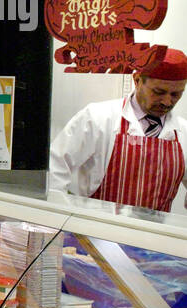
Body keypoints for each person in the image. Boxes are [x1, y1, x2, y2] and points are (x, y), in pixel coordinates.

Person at [50, 49, 187, 212]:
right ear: (137, 80)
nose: (167, 101)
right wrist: (59, 214)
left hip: (154, 235)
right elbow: (55, 167)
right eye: (158, 92)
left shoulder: (183, 132)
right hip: (95, 230)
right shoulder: (97, 117)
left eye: (176, 94)